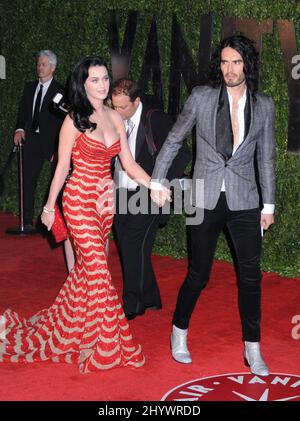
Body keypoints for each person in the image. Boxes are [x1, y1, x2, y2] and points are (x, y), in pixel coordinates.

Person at [0, 56, 160, 373]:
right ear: (82, 84)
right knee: (99, 270)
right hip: (78, 200)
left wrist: (153, 184)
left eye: (104, 79)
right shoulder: (74, 120)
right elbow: (61, 167)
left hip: (105, 204)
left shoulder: (115, 118)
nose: (101, 85)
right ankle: (111, 344)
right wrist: (48, 207)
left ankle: (72, 329)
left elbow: (128, 164)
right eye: (94, 80)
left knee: (86, 274)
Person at [151, 35, 275, 377]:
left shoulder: (263, 105)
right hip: (202, 196)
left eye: (236, 62)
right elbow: (175, 138)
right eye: (224, 62)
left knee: (251, 276)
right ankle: (179, 332)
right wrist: (158, 180)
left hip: (246, 199)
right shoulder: (202, 98)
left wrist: (269, 204)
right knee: (199, 272)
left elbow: (265, 157)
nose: (229, 69)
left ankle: (253, 348)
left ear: (247, 65)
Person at [111, 78, 190, 320]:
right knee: (130, 246)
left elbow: (182, 153)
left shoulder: (156, 119)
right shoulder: (113, 119)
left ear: (137, 101)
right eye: (113, 106)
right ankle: (151, 296)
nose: (117, 111)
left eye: (123, 107)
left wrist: (159, 183)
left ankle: (132, 303)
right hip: (118, 192)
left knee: (133, 245)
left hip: (147, 193)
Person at [13, 50, 64, 232]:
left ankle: (50, 224)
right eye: (38, 64)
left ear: (53, 67)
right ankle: (27, 221)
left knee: (54, 183)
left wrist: (58, 148)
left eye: (43, 64)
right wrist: (19, 129)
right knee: (27, 180)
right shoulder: (29, 87)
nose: (39, 68)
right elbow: (22, 113)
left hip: (51, 143)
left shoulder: (60, 91)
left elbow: (62, 122)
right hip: (32, 140)